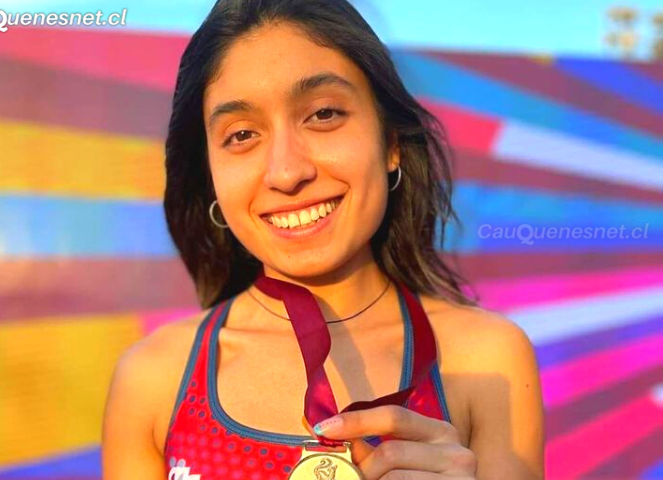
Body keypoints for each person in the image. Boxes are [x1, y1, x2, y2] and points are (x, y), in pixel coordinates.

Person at [101, 0, 545, 479]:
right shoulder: (154, 379)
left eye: (324, 114)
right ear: (210, 175)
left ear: (391, 143)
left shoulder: (488, 360)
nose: (287, 172)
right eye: (242, 134)